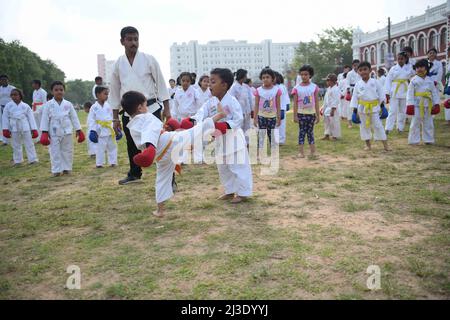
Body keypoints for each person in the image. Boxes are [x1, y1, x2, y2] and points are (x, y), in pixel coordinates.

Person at [122, 91, 226, 217]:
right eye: (145, 105)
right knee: (195, 131)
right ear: (140, 107)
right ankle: (219, 116)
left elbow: (143, 140)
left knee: (162, 179)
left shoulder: (132, 125)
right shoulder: (146, 117)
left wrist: (149, 150)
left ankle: (160, 210)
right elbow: (151, 132)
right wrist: (150, 148)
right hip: (168, 143)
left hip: (160, 155)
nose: (147, 108)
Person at [109, 26, 171, 185]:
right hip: (129, 111)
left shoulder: (149, 59)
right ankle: (135, 173)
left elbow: (162, 84)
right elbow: (115, 91)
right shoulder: (118, 64)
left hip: (150, 108)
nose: (133, 42)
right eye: (129, 39)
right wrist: (115, 118)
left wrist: (167, 111)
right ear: (122, 41)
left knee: (159, 142)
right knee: (131, 143)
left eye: (135, 39)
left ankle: (169, 177)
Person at [188, 68, 253, 204]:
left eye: (213, 82)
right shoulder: (210, 102)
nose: (209, 85)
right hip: (219, 139)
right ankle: (229, 190)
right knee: (223, 168)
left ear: (224, 85)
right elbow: (201, 113)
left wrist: (225, 125)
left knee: (238, 166)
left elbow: (238, 119)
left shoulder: (232, 101)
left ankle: (243, 192)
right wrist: (192, 121)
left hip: (233, 139)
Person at [40, 81, 85, 177]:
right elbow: (45, 118)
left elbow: (74, 117)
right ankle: (56, 170)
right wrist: (44, 132)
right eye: (56, 90)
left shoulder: (68, 104)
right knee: (54, 151)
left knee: (67, 150)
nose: (59, 92)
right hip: (54, 131)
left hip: (67, 130)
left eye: (61, 90)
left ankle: (67, 168)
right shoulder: (48, 105)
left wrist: (78, 130)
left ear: (64, 91)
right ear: (52, 92)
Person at [350, 62, 391, 152]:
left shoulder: (375, 82)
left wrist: (382, 106)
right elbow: (355, 97)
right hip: (362, 108)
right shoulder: (358, 84)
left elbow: (381, 94)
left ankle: (385, 145)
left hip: (374, 107)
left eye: (365, 69)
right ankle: (368, 145)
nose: (363, 72)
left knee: (378, 126)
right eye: (360, 70)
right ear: (358, 72)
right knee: (364, 127)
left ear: (370, 70)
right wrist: (354, 110)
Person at [406, 59, 440, 145]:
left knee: (428, 122)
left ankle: (428, 139)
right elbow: (410, 94)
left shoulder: (430, 80)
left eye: (421, 67)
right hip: (417, 105)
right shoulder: (413, 80)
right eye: (417, 67)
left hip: (428, 104)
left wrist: (436, 104)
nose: (419, 69)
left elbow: (434, 93)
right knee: (415, 122)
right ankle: (413, 140)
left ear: (426, 68)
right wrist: (410, 105)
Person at [2, 88, 39, 165]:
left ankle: (33, 159)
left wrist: (34, 129)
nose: (13, 96)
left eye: (15, 95)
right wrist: (5, 129)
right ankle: (18, 160)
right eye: (12, 95)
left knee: (29, 143)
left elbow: (31, 118)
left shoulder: (26, 106)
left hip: (25, 126)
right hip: (14, 127)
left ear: (20, 96)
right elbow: (5, 118)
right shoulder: (8, 106)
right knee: (16, 144)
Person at [292, 65, 320, 158]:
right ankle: (301, 152)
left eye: (306, 74)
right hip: (301, 114)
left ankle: (313, 151)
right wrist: (295, 115)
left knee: (310, 132)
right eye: (302, 74)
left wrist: (317, 115)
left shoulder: (314, 87)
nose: (304, 76)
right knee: (302, 132)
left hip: (311, 114)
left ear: (310, 75)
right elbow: (295, 103)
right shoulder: (297, 88)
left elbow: (316, 101)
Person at [384, 51, 415, 134]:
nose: (400, 60)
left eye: (402, 59)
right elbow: (388, 80)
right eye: (398, 59)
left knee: (403, 111)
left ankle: (400, 128)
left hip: (405, 90)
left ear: (405, 59)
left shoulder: (409, 68)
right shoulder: (393, 68)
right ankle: (388, 128)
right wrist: (387, 92)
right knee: (392, 110)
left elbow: (414, 76)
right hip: (395, 90)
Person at [88, 86, 118, 168]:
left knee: (112, 146)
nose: (107, 96)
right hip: (100, 130)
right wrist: (92, 130)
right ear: (97, 95)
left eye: (107, 94)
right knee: (100, 148)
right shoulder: (94, 107)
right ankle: (99, 163)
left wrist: (116, 127)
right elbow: (91, 120)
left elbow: (113, 117)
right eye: (105, 94)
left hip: (109, 128)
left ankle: (113, 162)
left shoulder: (109, 106)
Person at [253, 68, 281, 156]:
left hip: (272, 117)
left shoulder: (276, 90)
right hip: (261, 117)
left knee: (272, 136)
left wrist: (279, 117)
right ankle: (260, 153)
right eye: (263, 77)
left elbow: (278, 105)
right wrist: (255, 118)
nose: (265, 79)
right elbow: (256, 105)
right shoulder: (258, 91)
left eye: (267, 77)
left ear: (272, 78)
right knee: (261, 135)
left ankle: (274, 153)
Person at [230, 69, 252, 145]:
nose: (246, 77)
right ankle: (240, 143)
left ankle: (247, 142)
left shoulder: (246, 87)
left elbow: (250, 98)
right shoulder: (234, 87)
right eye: (245, 76)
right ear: (242, 76)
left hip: (247, 111)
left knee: (247, 127)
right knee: (239, 128)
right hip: (239, 112)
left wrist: (251, 109)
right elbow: (232, 101)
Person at [321, 74, 341, 140]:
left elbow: (336, 100)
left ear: (332, 81)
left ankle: (335, 136)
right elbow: (326, 100)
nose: (327, 82)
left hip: (333, 108)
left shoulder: (336, 89)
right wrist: (323, 108)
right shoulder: (329, 89)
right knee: (327, 122)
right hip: (327, 108)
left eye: (328, 80)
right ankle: (327, 134)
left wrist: (333, 109)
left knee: (334, 122)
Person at [274, 72, 290, 145]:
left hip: (279, 108)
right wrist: (287, 105)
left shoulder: (277, 87)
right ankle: (280, 139)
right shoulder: (282, 86)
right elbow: (286, 97)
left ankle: (279, 140)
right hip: (282, 107)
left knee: (278, 125)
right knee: (281, 125)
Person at [0, 75, 15, 145]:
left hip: (11, 108)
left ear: (8, 80)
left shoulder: (12, 88)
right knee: (3, 124)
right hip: (1, 107)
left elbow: (16, 98)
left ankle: (14, 138)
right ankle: (4, 140)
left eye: (5, 80)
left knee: (12, 123)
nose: (3, 81)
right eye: (2, 80)